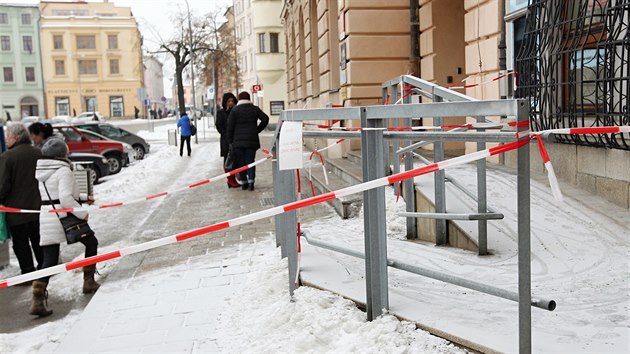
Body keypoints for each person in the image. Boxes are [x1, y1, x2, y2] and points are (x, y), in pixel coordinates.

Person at [31, 138, 99, 317]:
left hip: (46, 215)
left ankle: (37, 299)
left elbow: (60, 194)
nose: (68, 153)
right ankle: (89, 281)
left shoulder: (42, 170)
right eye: (66, 151)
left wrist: (84, 197)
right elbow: (65, 199)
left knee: (49, 260)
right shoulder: (63, 170)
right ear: (61, 154)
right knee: (91, 243)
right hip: (63, 216)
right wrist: (82, 213)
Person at [0, 123, 44, 278]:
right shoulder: (39, 153)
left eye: (8, 137)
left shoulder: (7, 157)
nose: (6, 140)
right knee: (39, 241)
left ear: (16, 138)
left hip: (16, 211)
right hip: (38, 208)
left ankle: (28, 273)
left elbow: (3, 184)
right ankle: (45, 269)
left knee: (21, 244)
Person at [227, 92, 269, 191]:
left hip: (238, 142)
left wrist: (230, 141)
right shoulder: (254, 109)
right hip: (251, 141)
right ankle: (251, 182)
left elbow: (230, 127)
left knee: (241, 162)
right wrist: (257, 130)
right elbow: (265, 119)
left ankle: (244, 182)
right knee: (250, 161)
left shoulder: (234, 110)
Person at [215, 92, 239, 188]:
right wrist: (226, 135)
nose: (231, 103)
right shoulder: (221, 113)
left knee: (236, 160)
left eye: (232, 101)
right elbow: (219, 126)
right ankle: (230, 180)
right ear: (225, 102)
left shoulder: (236, 111)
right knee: (228, 160)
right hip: (226, 140)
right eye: (229, 101)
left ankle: (234, 179)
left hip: (236, 138)